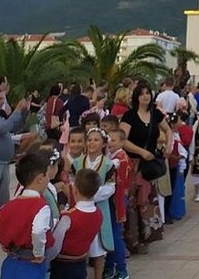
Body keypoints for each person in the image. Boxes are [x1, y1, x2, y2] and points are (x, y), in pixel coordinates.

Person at [119, 81, 171, 254]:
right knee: (131, 202)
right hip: (133, 164)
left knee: (147, 201)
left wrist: (169, 145)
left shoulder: (156, 114)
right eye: (141, 93)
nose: (145, 96)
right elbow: (123, 140)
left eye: (147, 93)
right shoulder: (130, 116)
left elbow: (168, 130)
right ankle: (131, 240)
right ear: (136, 97)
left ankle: (147, 238)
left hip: (148, 165)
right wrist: (141, 152)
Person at [0, 152, 53, 278]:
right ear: (40, 178)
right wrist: (38, 253)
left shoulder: (9, 205)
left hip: (10, 263)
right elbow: (38, 231)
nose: (49, 180)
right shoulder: (41, 206)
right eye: (48, 176)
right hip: (31, 265)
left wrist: (2, 241)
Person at [72, 128, 115, 279]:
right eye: (89, 140)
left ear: (104, 144)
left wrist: (90, 194)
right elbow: (72, 182)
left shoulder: (108, 165)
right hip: (79, 210)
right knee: (80, 245)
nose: (92, 143)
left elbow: (111, 187)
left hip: (99, 208)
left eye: (96, 140)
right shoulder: (77, 163)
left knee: (98, 248)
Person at [46, 168, 103, 279]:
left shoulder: (69, 217)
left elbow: (55, 246)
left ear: (74, 190)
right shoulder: (98, 214)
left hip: (63, 265)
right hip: (81, 261)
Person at [0, 86, 28, 212]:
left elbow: (13, 127)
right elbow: (2, 128)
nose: (3, 101)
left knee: (1, 200)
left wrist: (23, 112)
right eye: (0, 98)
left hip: (3, 163)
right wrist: (16, 111)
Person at [105, 129, 132, 279]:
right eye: (108, 139)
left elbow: (119, 184)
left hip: (117, 200)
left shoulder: (121, 159)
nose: (110, 142)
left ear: (122, 142)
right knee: (110, 234)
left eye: (113, 140)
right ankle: (109, 267)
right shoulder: (112, 156)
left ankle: (121, 269)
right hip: (114, 199)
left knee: (115, 235)